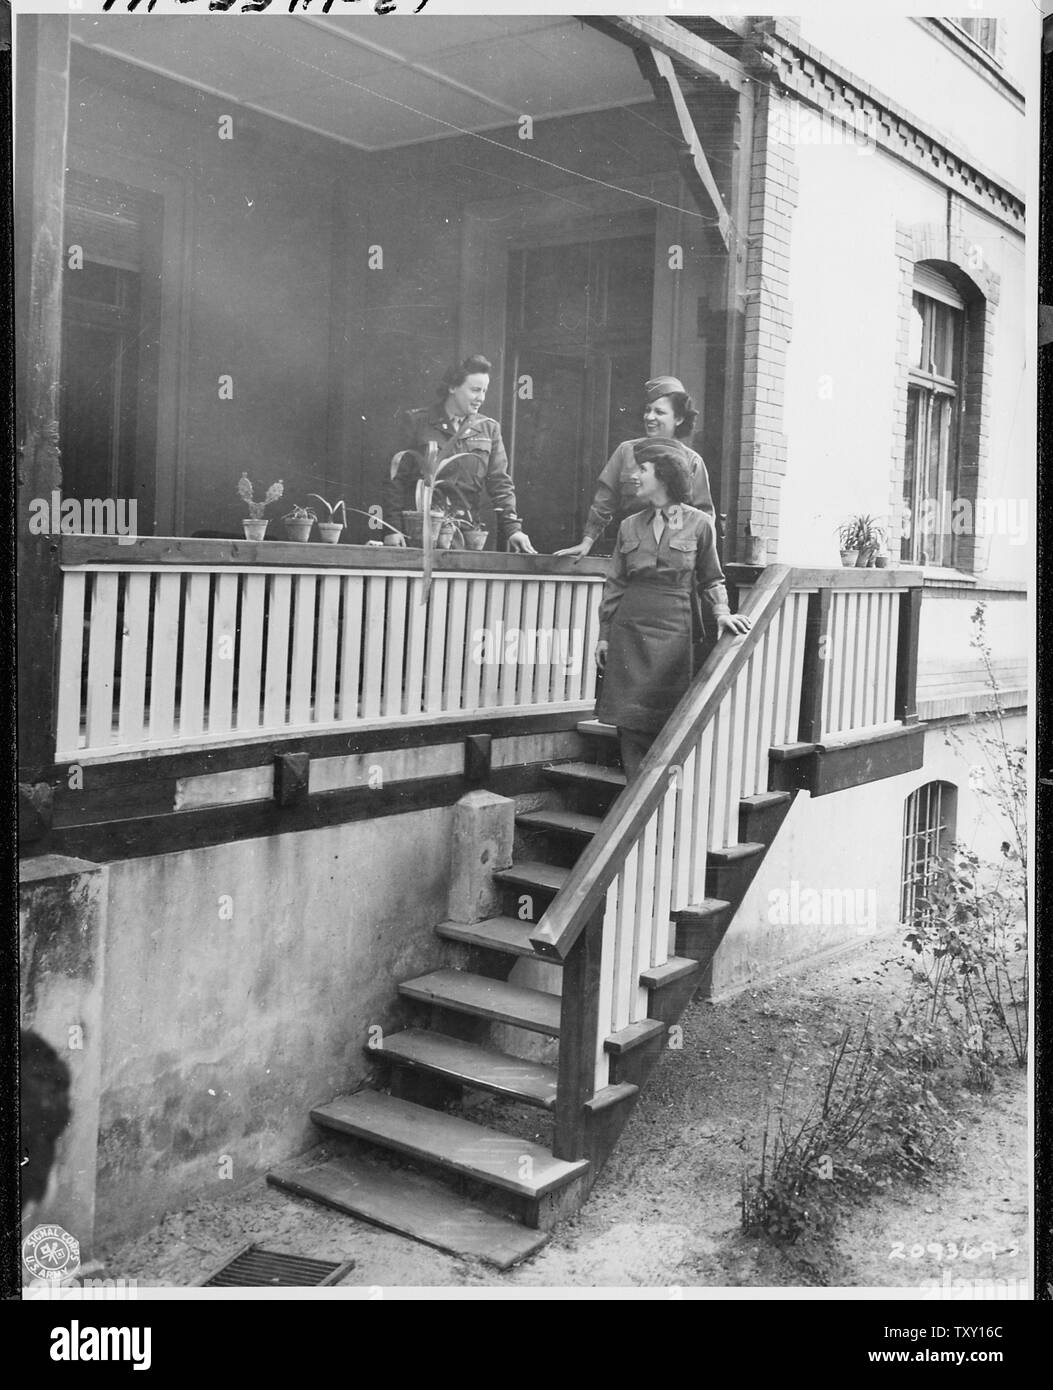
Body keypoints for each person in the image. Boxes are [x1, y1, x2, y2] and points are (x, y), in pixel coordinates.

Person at [595, 441, 751, 782]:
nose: (634, 476)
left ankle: (664, 795)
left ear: (663, 477)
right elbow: (615, 584)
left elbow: (711, 577)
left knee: (666, 716)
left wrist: (722, 613)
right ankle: (635, 795)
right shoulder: (629, 525)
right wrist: (604, 636)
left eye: (642, 470)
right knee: (629, 719)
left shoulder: (698, 524)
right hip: (629, 630)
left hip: (673, 633)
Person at [381, 354, 536, 553]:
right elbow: (395, 479)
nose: (481, 398)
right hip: (419, 534)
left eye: (484, 391)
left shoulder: (488, 429)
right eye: (475, 390)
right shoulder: (417, 422)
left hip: (466, 535)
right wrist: (391, 529)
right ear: (452, 387)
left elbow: (500, 483)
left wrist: (514, 530)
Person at [555, 375, 714, 560]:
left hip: (675, 557)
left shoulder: (692, 461)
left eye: (659, 412)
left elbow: (704, 516)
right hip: (632, 551)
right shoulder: (626, 452)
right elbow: (604, 501)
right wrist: (587, 541)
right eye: (648, 411)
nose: (650, 417)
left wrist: (700, 559)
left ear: (678, 418)